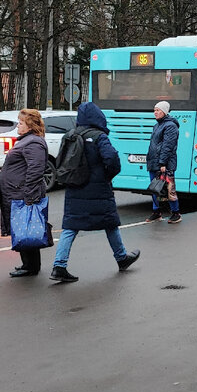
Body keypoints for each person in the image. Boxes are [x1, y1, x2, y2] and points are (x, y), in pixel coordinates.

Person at [49, 101, 140, 283]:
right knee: (110, 223)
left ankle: (59, 266)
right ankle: (121, 257)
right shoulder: (99, 136)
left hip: (75, 187)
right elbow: (112, 159)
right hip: (98, 188)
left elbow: (60, 161)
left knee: (70, 227)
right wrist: (107, 176)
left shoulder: (69, 135)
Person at [2, 109, 52, 278]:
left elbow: (36, 170)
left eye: (21, 123)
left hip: (23, 194)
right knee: (23, 227)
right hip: (18, 192)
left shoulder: (33, 143)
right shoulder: (27, 141)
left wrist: (29, 195)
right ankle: (28, 264)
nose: (18, 125)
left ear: (30, 125)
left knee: (27, 228)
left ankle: (31, 266)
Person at [146, 100, 181, 224]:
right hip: (154, 162)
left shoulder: (170, 126)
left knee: (169, 188)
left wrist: (162, 163)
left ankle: (176, 213)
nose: (155, 112)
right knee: (155, 188)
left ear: (165, 112)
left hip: (164, 163)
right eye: (154, 110)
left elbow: (168, 146)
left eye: (158, 110)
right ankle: (156, 212)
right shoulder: (157, 125)